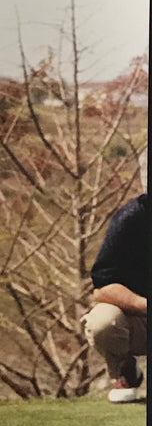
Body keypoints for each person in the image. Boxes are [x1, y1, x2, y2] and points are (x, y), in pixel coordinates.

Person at [81, 152, 148, 404]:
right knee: (102, 321)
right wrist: (144, 304)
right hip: (139, 320)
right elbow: (103, 287)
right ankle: (125, 373)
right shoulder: (130, 219)